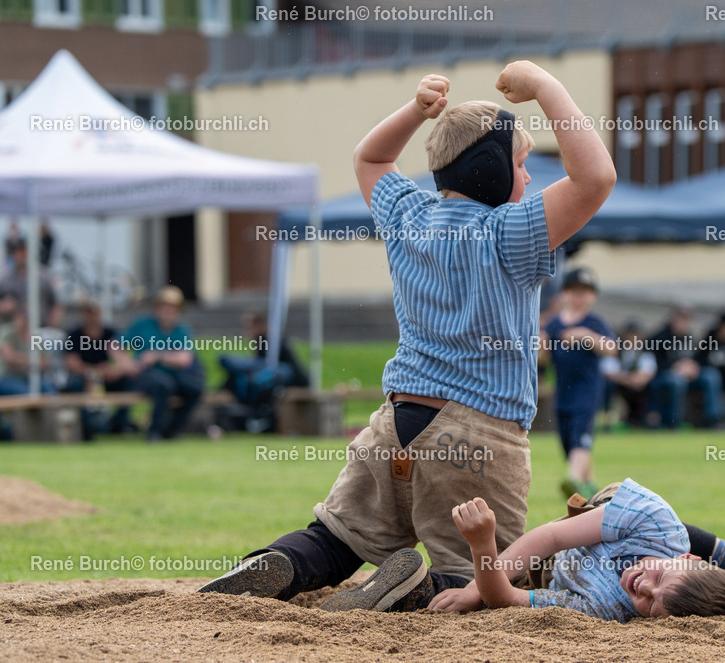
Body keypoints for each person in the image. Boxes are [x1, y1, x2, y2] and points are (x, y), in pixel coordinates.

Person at [197, 61, 616, 603]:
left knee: (334, 538)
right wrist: (546, 87)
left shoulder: (408, 217)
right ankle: (418, 587)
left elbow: (369, 156)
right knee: (482, 580)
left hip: (393, 423)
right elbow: (595, 176)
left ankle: (282, 562)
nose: (532, 176)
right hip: (479, 434)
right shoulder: (513, 232)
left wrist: (417, 111)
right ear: (493, 170)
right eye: (522, 163)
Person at [322, 479, 725, 620]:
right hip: (593, 518)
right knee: (673, 531)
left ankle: (415, 588)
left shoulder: (609, 607)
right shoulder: (658, 530)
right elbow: (553, 535)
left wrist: (483, 552)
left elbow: (508, 600)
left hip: (560, 575)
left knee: (472, 591)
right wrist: (480, 583)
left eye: (648, 604)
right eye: (658, 581)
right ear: (686, 564)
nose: (641, 588)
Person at [541, 267, 616, 499]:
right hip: (564, 391)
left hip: (587, 390)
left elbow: (611, 349)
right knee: (567, 439)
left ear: (592, 296)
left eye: (584, 292)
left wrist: (586, 336)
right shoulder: (554, 325)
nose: (579, 297)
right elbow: (544, 358)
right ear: (565, 294)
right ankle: (591, 485)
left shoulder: (594, 323)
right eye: (574, 291)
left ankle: (573, 480)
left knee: (580, 437)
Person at [122, 286, 205, 441]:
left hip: (174, 374)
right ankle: (154, 432)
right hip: (146, 375)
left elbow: (185, 359)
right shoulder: (143, 325)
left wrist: (158, 356)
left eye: (172, 307)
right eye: (164, 306)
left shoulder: (181, 330)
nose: (168, 311)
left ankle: (172, 430)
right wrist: (127, 364)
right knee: (163, 385)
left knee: (193, 388)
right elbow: (116, 345)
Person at [64, 300, 137, 438]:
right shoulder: (74, 335)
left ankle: (120, 424)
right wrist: (93, 371)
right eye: (89, 313)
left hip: (108, 376)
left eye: (95, 313)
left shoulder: (110, 333)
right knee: (75, 384)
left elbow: (123, 359)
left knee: (128, 382)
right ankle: (86, 428)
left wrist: (113, 370)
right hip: (84, 376)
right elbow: (71, 363)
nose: (92, 317)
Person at [648, 307, 725, 429]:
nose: (682, 323)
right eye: (680, 319)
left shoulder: (688, 337)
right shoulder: (659, 337)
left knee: (711, 375)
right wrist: (675, 368)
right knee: (677, 381)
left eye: (686, 320)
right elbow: (652, 364)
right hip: (664, 377)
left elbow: (697, 358)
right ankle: (675, 421)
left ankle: (714, 419)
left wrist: (693, 366)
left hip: (689, 376)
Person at [602, 320, 657, 427]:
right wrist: (628, 379)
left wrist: (637, 379)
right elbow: (608, 371)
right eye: (631, 334)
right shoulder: (616, 349)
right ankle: (607, 418)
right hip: (620, 385)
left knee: (655, 385)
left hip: (639, 386)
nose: (633, 338)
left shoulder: (645, 351)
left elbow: (649, 372)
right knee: (607, 385)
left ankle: (650, 418)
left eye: (636, 334)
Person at [0, 238, 62, 327]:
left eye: (25, 251)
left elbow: (56, 304)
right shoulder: (7, 280)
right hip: (13, 332)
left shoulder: (44, 277)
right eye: (19, 252)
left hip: (41, 328)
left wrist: (52, 325)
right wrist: (6, 306)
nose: (22, 255)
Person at [0, 305, 58, 395]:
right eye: (22, 317)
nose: (24, 321)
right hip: (9, 377)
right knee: (27, 393)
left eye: (26, 318)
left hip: (31, 376)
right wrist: (33, 361)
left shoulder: (36, 336)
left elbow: (45, 362)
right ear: (16, 317)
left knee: (50, 393)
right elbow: (10, 358)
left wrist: (20, 358)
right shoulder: (7, 333)